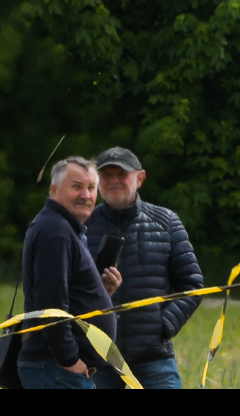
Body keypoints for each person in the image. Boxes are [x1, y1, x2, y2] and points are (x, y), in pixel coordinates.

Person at [85, 147, 203, 390]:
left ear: (139, 179)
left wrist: (165, 325)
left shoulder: (167, 221)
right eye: (107, 175)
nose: (114, 180)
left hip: (154, 357)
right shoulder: (83, 227)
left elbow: (192, 284)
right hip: (99, 357)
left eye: (122, 174)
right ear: (97, 181)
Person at [16, 157, 122, 389]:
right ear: (54, 190)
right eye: (77, 186)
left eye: (91, 188)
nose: (86, 195)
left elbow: (66, 295)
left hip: (57, 370)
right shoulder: (56, 232)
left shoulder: (64, 229)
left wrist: (102, 293)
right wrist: (69, 359)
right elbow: (51, 303)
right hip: (55, 370)